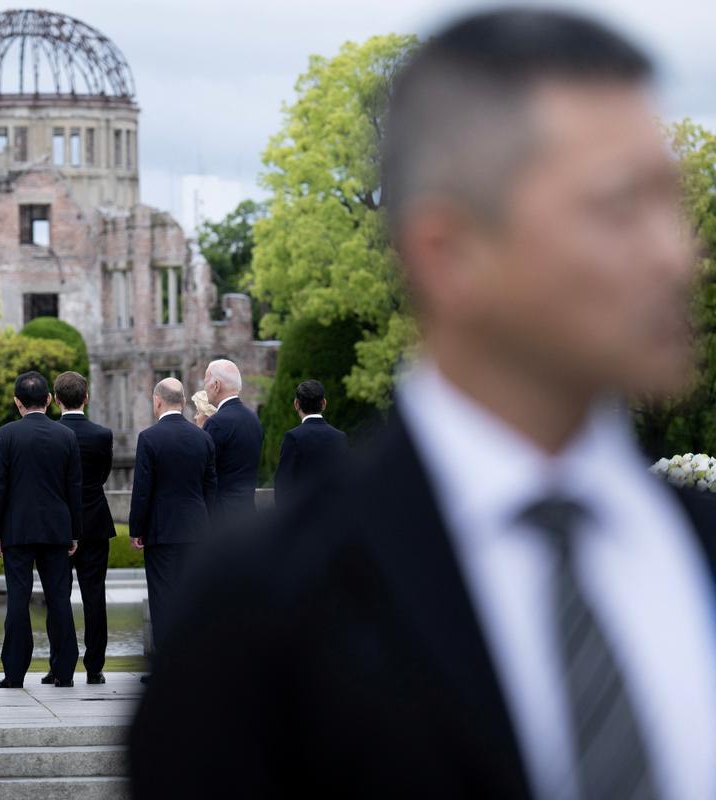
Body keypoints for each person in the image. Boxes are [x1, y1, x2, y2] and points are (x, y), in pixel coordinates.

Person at [130, 9, 716, 799]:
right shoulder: (258, 617)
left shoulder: (699, 555)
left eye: (671, 205)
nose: (681, 254)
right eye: (618, 209)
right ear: (450, 250)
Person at [0, 371, 82, 688]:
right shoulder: (65, 436)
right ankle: (65, 671)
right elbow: (74, 488)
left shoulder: (6, 435)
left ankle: (14, 672)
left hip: (17, 529)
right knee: (59, 599)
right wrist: (75, 531)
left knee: (18, 599)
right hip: (56, 529)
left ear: (17, 402)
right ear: (50, 400)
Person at [128, 378, 218, 679]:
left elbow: (142, 490)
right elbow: (210, 488)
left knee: (163, 598)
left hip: (161, 530)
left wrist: (136, 529)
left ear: (157, 401)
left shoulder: (149, 438)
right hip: (197, 529)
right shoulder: (203, 438)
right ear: (182, 402)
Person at [44, 370, 115, 685]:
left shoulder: (52, 433)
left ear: (56, 400)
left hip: (59, 525)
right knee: (94, 595)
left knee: (57, 595)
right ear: (86, 397)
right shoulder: (102, 435)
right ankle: (95, 665)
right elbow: (103, 475)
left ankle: (59, 663)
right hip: (95, 520)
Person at [201, 359, 263, 517]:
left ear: (216, 385)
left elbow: (204, 471)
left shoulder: (216, 423)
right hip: (248, 512)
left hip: (221, 517)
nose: (204, 388)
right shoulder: (253, 419)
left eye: (206, 382)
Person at [272, 380, 349, 506]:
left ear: (296, 404)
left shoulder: (293, 437)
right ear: (324, 403)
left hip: (303, 517)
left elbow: (282, 484)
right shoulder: (340, 437)